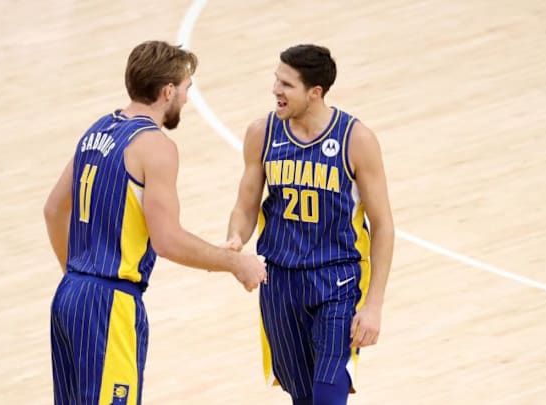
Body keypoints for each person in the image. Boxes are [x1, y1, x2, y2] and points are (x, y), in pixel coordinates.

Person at [43, 40, 267, 405]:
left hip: (69, 297)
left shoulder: (95, 131)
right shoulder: (155, 146)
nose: (186, 100)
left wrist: (78, 278)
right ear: (167, 92)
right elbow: (167, 241)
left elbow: (53, 210)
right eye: (185, 90)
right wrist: (234, 262)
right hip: (110, 303)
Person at [224, 44, 395, 405]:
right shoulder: (262, 133)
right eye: (276, 80)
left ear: (314, 93)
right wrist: (235, 243)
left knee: (329, 393)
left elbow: (383, 224)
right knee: (302, 398)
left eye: (286, 84)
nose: (275, 90)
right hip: (281, 281)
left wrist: (374, 304)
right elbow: (245, 204)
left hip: (338, 280)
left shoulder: (356, 140)